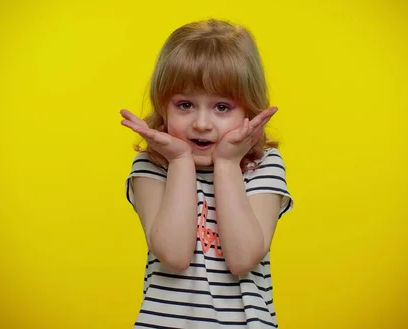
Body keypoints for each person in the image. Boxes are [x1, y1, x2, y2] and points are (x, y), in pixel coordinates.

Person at [120, 18, 293, 329]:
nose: (201, 123)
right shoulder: (152, 166)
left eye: (222, 108)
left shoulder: (263, 166)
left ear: (249, 111)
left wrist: (227, 164)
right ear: (163, 106)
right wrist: (180, 160)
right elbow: (173, 254)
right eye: (185, 104)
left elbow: (242, 258)